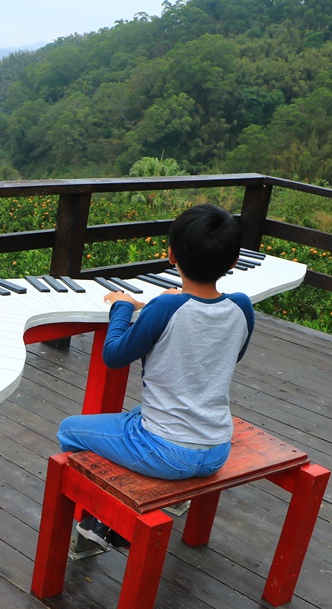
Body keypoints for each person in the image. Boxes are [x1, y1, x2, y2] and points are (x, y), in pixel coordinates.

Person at [58, 203, 255, 553]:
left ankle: (105, 522)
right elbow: (229, 355)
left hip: (166, 452)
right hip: (216, 449)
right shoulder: (241, 307)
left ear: (171, 255)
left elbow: (115, 355)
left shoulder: (165, 308)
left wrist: (123, 306)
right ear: (233, 262)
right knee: (134, 414)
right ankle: (157, 503)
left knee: (70, 429)